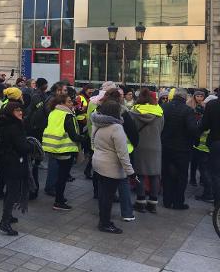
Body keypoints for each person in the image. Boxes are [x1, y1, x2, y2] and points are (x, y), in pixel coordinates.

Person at [91, 100, 135, 234]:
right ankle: (105, 223)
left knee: (103, 195)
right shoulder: (116, 127)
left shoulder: (97, 123)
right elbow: (123, 153)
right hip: (110, 167)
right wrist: (130, 172)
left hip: (98, 163)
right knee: (108, 197)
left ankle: (103, 220)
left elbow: (93, 141)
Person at [0, 102, 34, 236]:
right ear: (11, 112)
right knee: (13, 193)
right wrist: (31, 146)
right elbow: (22, 147)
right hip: (14, 162)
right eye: (17, 111)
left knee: (10, 191)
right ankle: (4, 222)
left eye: (21, 110)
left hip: (5, 161)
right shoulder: (14, 126)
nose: (20, 112)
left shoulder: (3, 122)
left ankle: (8, 216)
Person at [41, 93, 85, 211]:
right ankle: (58, 201)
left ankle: (60, 198)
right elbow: (74, 136)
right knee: (62, 177)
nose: (72, 104)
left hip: (54, 147)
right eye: (69, 101)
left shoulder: (53, 112)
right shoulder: (68, 115)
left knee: (60, 175)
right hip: (65, 149)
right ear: (61, 103)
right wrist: (84, 138)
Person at [161, 88, 200, 209]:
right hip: (182, 149)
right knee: (181, 176)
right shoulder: (188, 110)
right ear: (185, 98)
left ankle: (167, 201)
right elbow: (193, 129)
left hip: (166, 146)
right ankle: (178, 202)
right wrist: (196, 141)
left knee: (166, 174)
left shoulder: (164, 107)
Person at [129, 88, 164, 213]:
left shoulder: (134, 111)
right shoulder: (159, 111)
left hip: (140, 146)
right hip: (155, 146)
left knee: (140, 174)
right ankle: (153, 203)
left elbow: (131, 129)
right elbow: (161, 129)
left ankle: (140, 201)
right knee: (155, 175)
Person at [193, 94, 216, 203]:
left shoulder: (210, 115)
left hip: (204, 148)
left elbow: (203, 128)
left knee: (205, 170)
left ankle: (209, 193)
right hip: (208, 147)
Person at [201, 95, 220, 208]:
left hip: (216, 142)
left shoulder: (212, 105)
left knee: (216, 174)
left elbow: (205, 124)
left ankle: (217, 206)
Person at [189, 90, 207, 187]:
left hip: (202, 135)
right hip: (193, 135)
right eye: (198, 96)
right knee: (194, 160)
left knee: (201, 161)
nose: (199, 98)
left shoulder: (205, 106)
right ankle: (192, 178)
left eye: (201, 96)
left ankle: (202, 179)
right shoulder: (189, 104)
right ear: (194, 96)